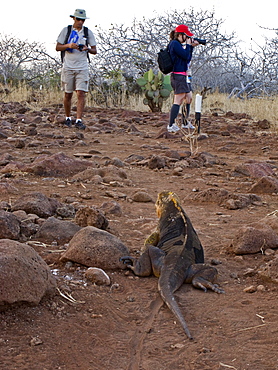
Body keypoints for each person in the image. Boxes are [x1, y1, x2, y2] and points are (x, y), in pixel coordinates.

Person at [56, 9, 97, 129]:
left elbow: (94, 50)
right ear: (73, 19)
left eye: (82, 20)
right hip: (68, 66)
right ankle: (68, 117)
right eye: (78, 19)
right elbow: (58, 47)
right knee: (68, 94)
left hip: (82, 66)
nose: (80, 22)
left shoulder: (87, 32)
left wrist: (87, 49)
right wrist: (68, 46)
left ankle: (79, 119)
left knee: (81, 93)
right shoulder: (66, 30)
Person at [167, 24, 199, 133]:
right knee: (179, 99)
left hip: (184, 75)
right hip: (178, 75)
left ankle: (185, 122)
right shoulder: (174, 44)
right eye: (186, 36)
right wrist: (190, 46)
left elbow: (187, 58)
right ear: (180, 35)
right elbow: (186, 56)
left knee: (189, 97)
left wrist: (191, 47)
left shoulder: (178, 45)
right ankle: (171, 125)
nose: (187, 38)